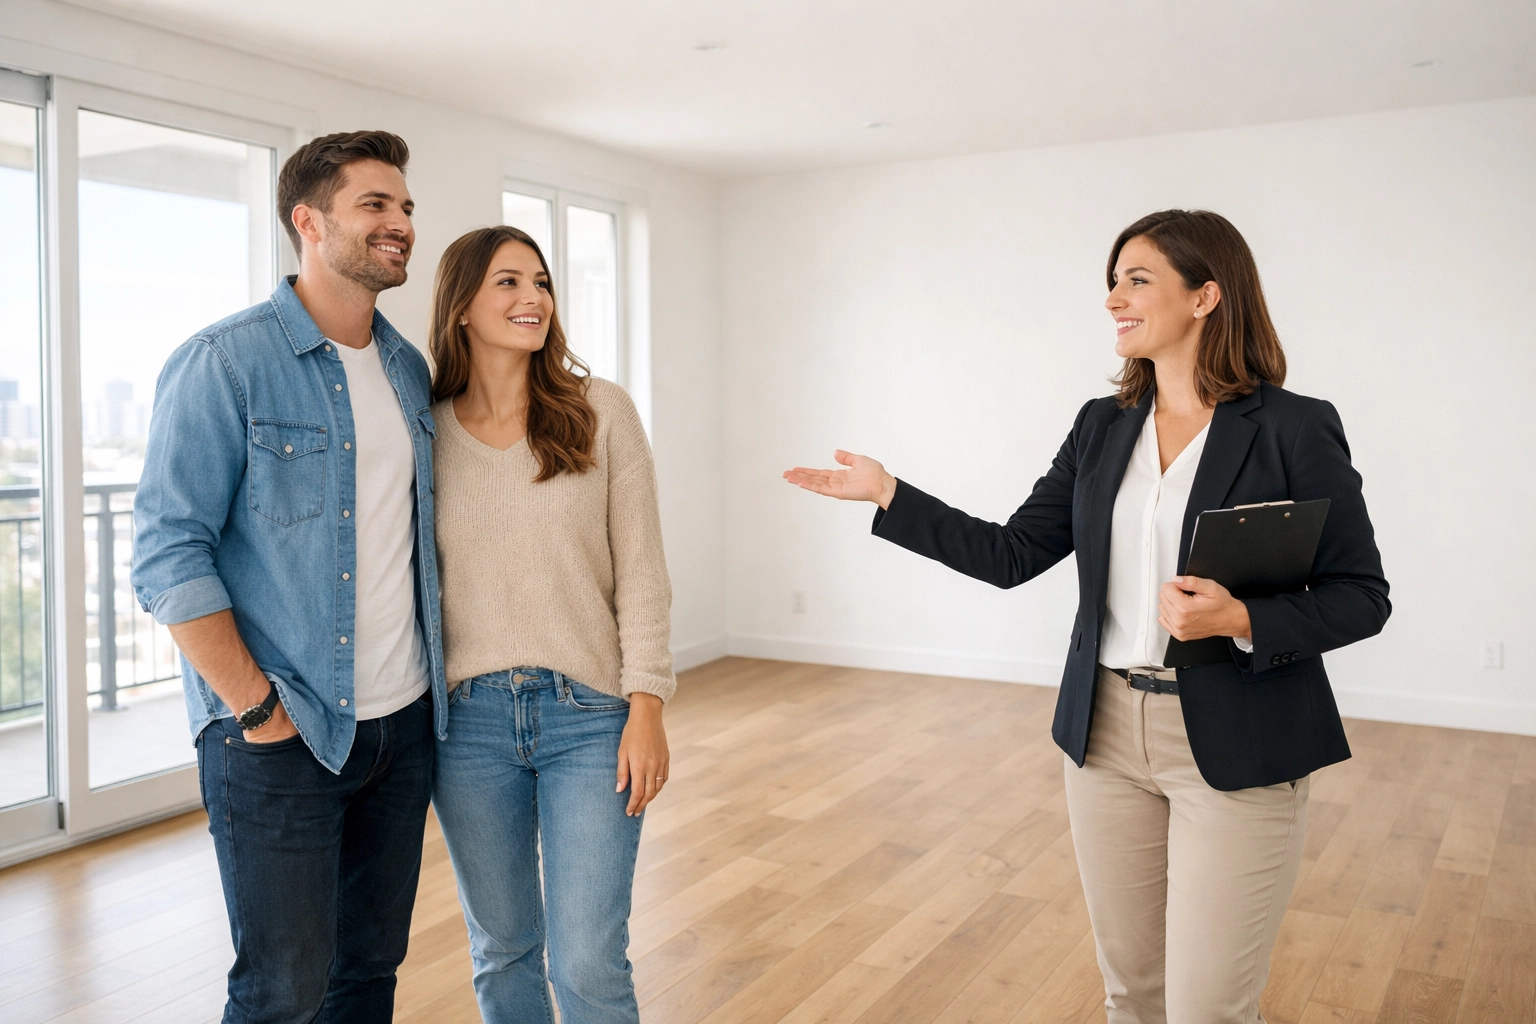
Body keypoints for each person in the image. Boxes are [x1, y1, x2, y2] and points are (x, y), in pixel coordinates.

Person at [784, 209, 1390, 1023]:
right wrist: (892, 497)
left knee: (1208, 1008)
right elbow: (1011, 555)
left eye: (1136, 279)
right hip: (1103, 738)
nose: (1113, 299)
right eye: (1112, 281)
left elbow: (1361, 593)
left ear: (1207, 295)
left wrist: (1241, 616)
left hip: (1241, 740)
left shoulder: (1292, 426)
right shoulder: (1102, 427)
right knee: (1132, 997)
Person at [132, 130, 445, 1023]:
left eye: (407, 208)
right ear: (308, 221)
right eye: (375, 205)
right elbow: (166, 552)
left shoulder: (406, 368)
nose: (400, 224)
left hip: (402, 726)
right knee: (282, 992)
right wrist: (257, 709)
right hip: (282, 735)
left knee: (367, 976)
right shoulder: (224, 362)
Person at [427, 225, 675, 1024]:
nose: (533, 298)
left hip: (590, 719)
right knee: (501, 952)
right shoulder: (423, 431)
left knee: (588, 960)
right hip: (466, 728)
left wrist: (647, 706)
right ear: (462, 305)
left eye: (541, 282)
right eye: (508, 282)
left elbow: (641, 569)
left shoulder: (601, 412)